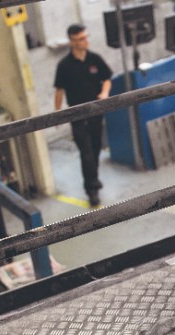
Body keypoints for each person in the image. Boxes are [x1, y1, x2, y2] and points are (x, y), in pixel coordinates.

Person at [53, 24, 112, 207]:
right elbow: (59, 91)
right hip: (76, 114)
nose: (86, 41)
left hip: (95, 112)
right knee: (86, 153)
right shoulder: (64, 65)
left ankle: (92, 180)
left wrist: (104, 93)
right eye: (81, 39)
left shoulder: (95, 59)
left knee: (94, 150)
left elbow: (107, 78)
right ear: (72, 41)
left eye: (86, 37)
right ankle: (92, 189)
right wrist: (57, 114)